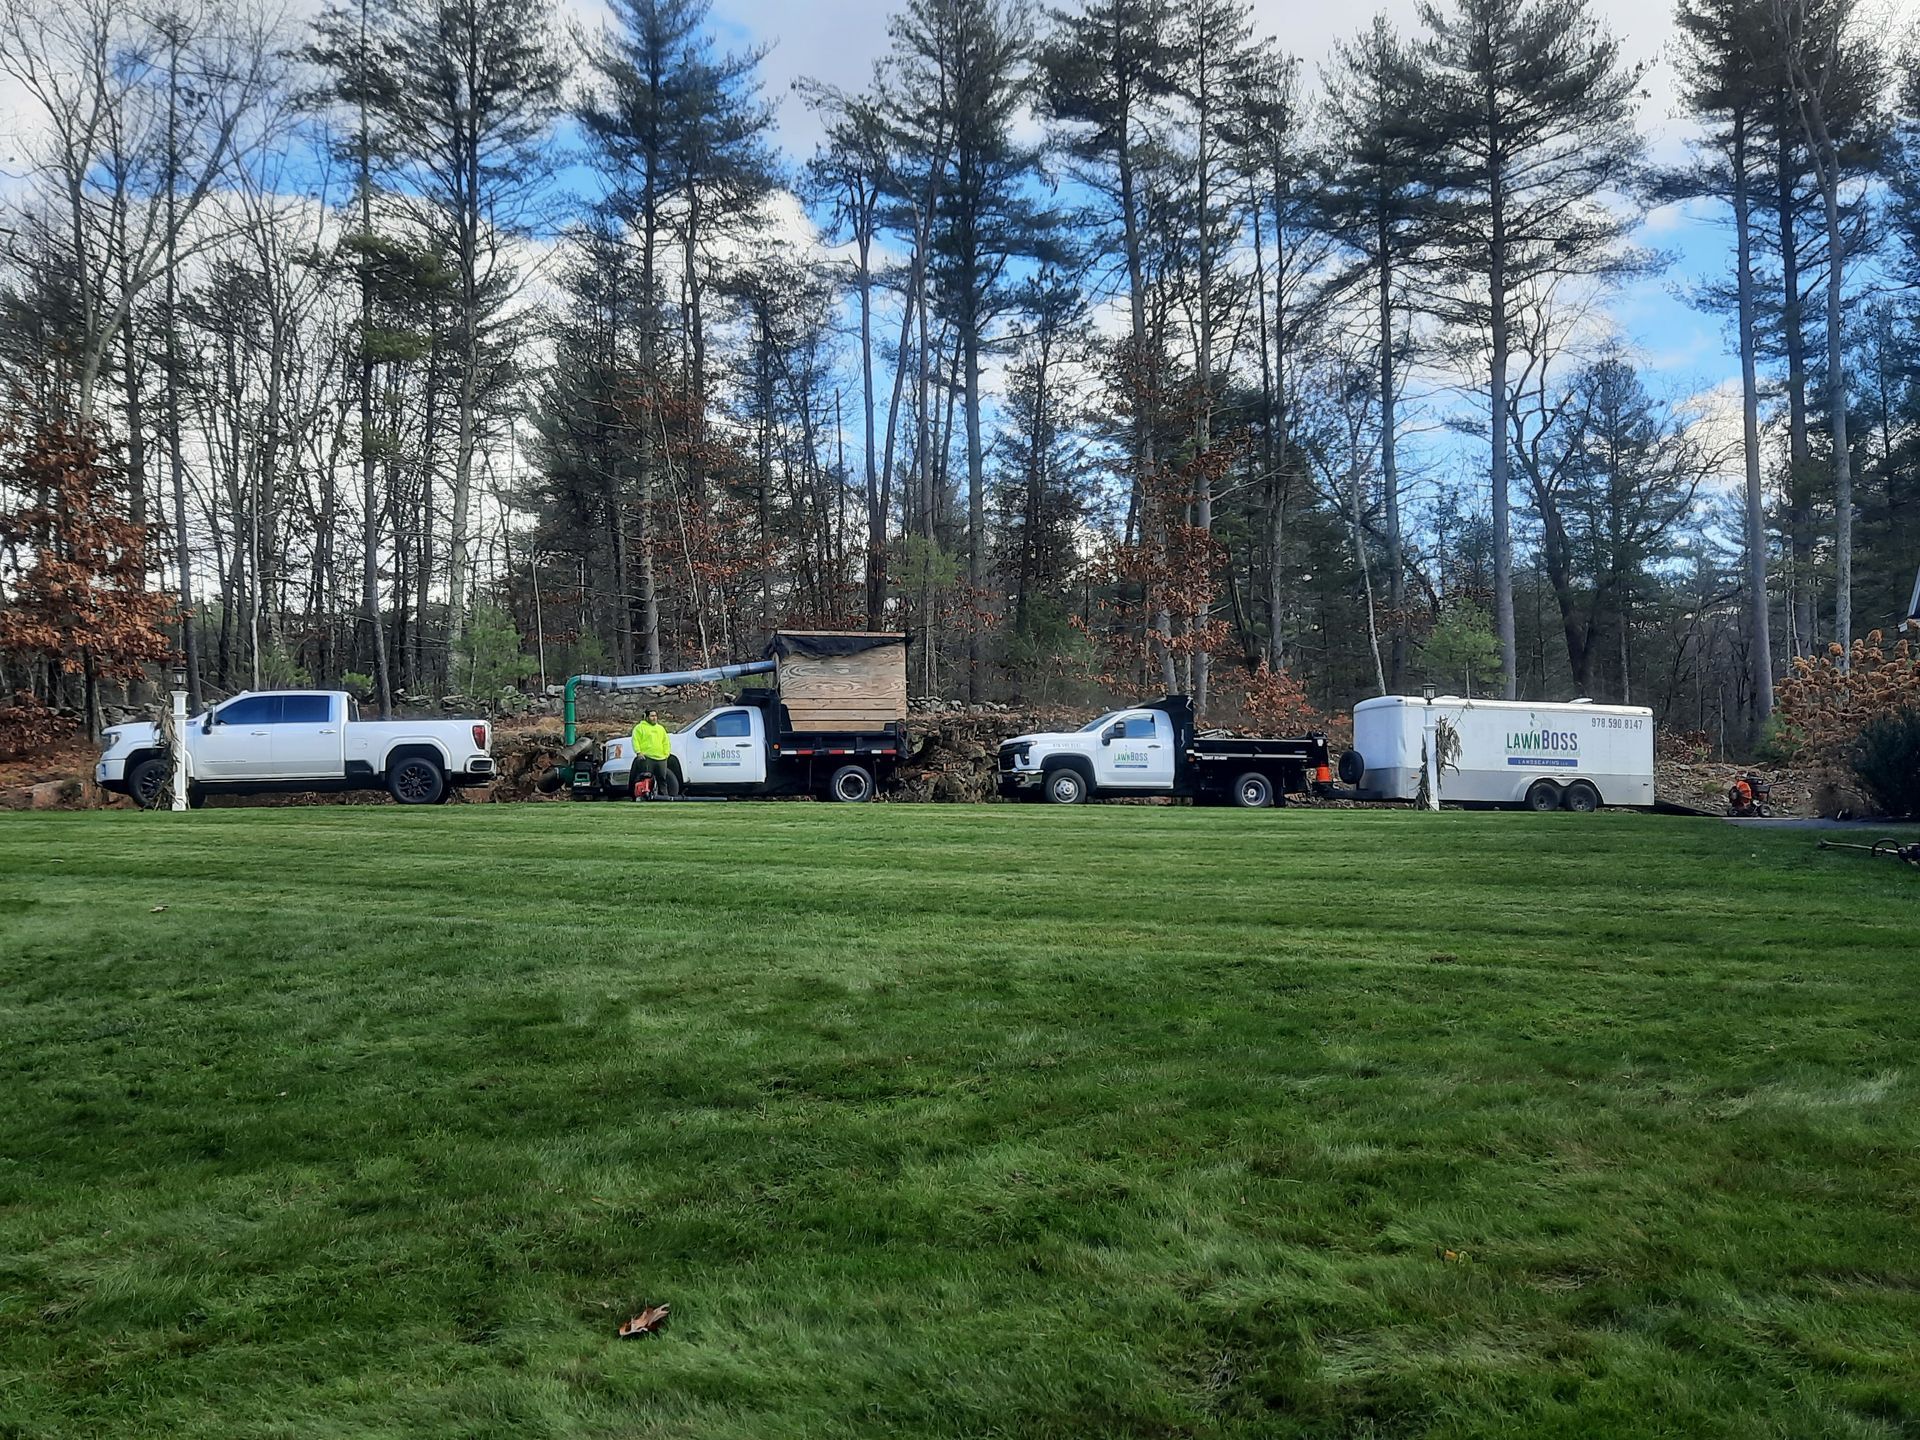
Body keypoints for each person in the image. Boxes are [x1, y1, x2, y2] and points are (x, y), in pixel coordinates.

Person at [629, 710, 676, 799]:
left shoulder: (660, 728)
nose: (654, 718)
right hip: (647, 757)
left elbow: (666, 742)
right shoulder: (639, 728)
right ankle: (644, 796)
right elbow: (635, 740)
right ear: (646, 717)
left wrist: (666, 754)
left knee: (662, 779)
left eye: (655, 716)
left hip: (661, 758)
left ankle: (664, 797)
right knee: (646, 778)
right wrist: (638, 752)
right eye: (652, 716)